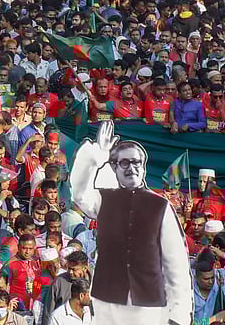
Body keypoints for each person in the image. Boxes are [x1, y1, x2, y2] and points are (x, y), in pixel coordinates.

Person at [69, 121, 189, 325]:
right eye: (124, 163)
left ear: (143, 167)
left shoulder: (161, 206)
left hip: (149, 305)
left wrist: (179, 315)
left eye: (136, 163)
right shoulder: (103, 199)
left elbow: (176, 264)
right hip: (107, 302)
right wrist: (96, 157)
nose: (131, 168)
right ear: (114, 167)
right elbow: (79, 194)